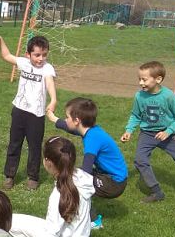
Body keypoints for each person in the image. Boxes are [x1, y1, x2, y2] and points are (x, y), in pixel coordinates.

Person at [9, 137, 95, 237]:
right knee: (7, 222)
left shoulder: (60, 195)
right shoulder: (81, 177)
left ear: (47, 162)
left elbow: (50, 235)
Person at [120, 61, 175, 203]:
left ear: (158, 79)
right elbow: (136, 115)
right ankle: (156, 192)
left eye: (144, 79)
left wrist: (168, 131)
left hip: (168, 135)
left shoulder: (168, 96)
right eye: (139, 79)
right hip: (147, 134)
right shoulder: (139, 96)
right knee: (140, 160)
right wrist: (129, 130)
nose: (140, 83)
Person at [48, 97, 128, 229]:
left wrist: (70, 181)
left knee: (76, 183)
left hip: (114, 183)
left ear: (77, 121)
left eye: (67, 117)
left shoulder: (92, 139)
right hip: (108, 175)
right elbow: (71, 128)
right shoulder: (91, 130)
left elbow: (86, 171)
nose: (65, 120)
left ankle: (93, 221)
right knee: (74, 177)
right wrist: (54, 119)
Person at [0, 35, 56, 191]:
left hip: (36, 115)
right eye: (37, 55)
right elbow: (6, 56)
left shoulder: (47, 68)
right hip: (19, 111)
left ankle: (33, 177)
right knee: (14, 144)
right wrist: (1, 40)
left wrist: (53, 99)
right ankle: (9, 175)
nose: (41, 58)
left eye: (44, 55)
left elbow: (49, 83)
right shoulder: (23, 63)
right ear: (28, 54)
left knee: (34, 147)